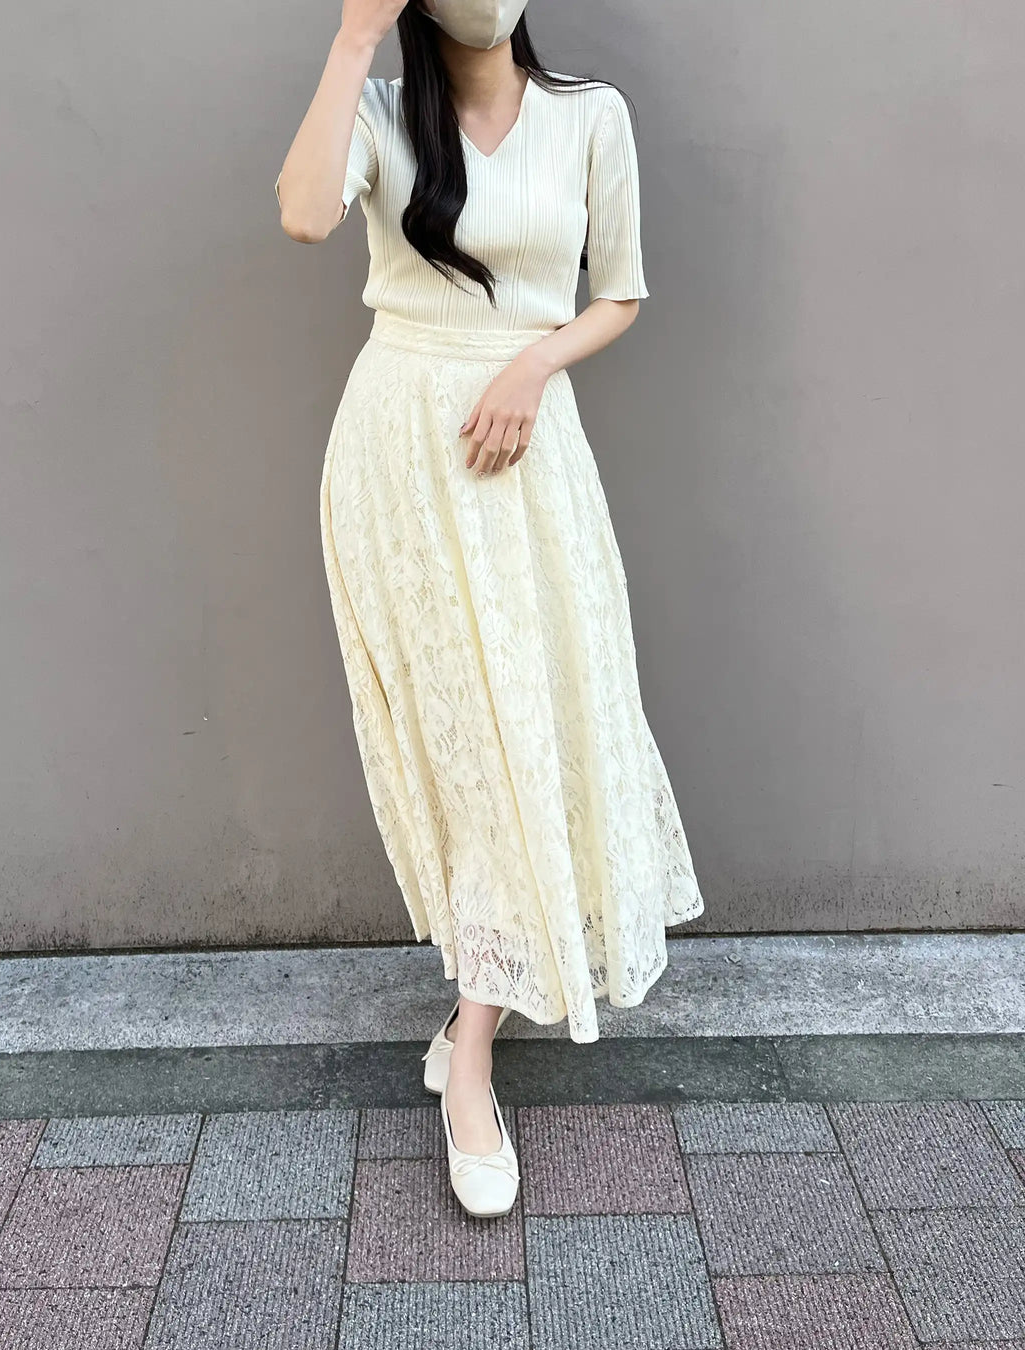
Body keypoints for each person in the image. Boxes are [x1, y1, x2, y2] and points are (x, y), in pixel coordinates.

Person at [275, 0, 705, 1218]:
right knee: (465, 749)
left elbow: (618, 294)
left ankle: (468, 1033)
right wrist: (351, 38)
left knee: (541, 728)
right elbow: (303, 214)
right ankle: (470, 1061)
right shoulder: (379, 115)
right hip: (401, 456)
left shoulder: (591, 117)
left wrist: (530, 363)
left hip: (524, 450)